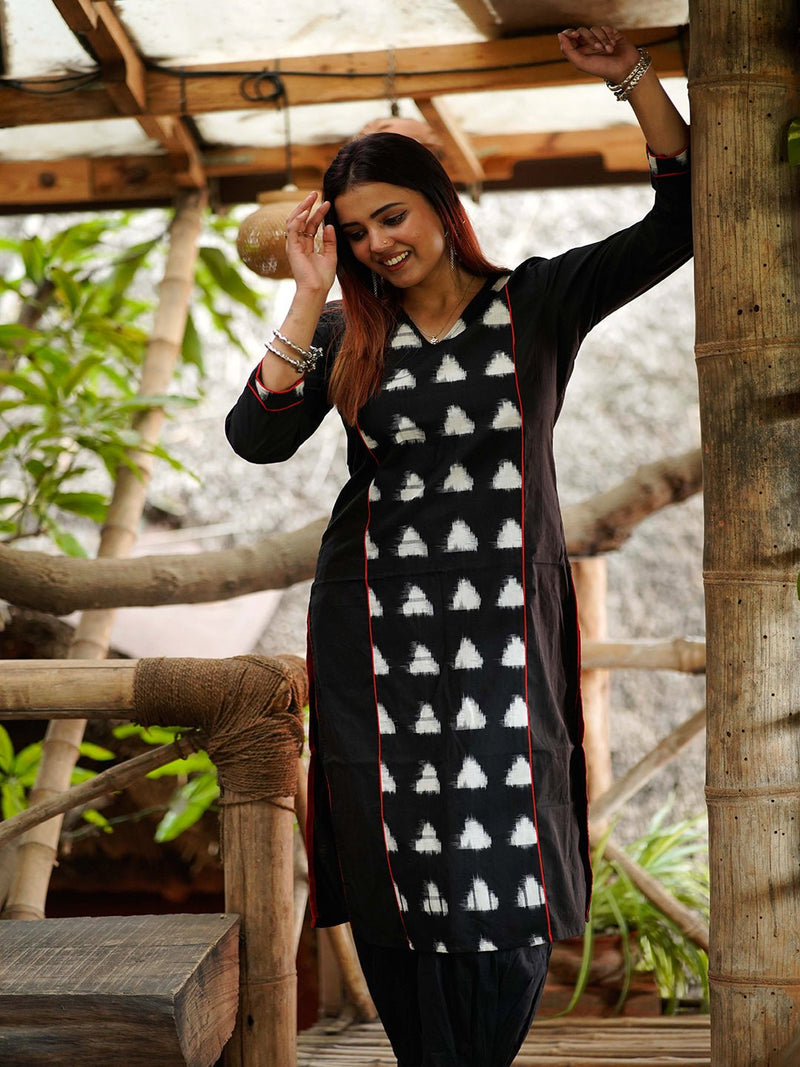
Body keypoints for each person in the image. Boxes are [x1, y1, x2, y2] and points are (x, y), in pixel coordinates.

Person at [226, 25, 691, 1067]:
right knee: (393, 845)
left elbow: (682, 215)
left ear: (440, 205)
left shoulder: (538, 303)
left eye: (391, 216)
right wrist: (307, 292)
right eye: (355, 232)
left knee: (504, 843)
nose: (377, 243)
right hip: (374, 626)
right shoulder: (348, 333)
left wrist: (632, 79)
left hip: (502, 634)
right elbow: (255, 437)